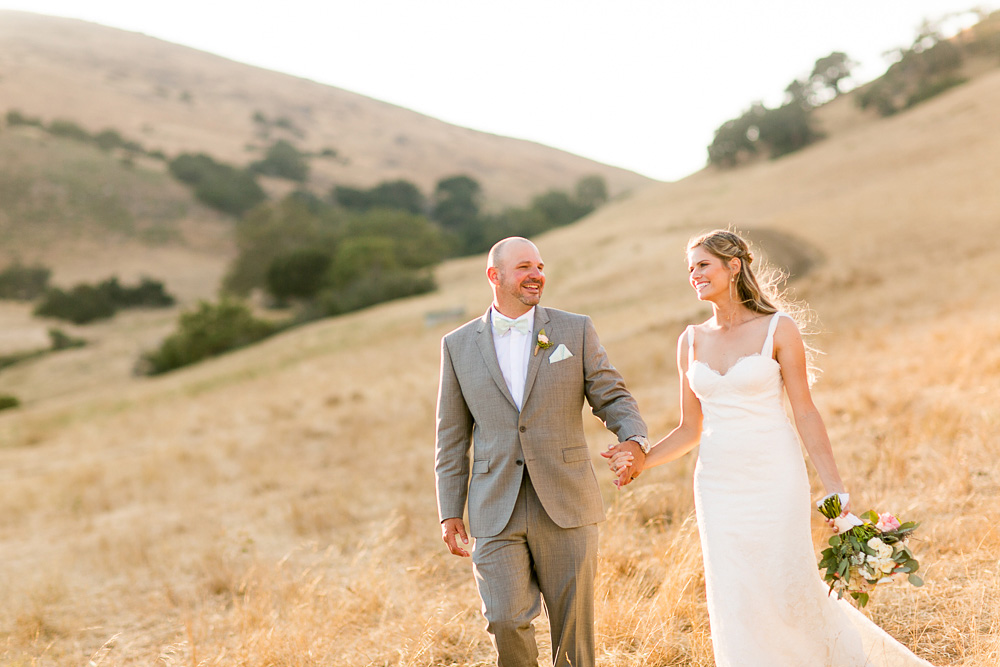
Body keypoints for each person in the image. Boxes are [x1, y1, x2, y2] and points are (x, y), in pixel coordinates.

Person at [604, 229, 933, 666]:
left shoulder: (779, 329)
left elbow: (806, 413)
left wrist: (835, 487)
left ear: (733, 266)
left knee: (787, 581)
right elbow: (688, 429)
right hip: (718, 484)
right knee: (734, 590)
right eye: (690, 268)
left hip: (774, 475)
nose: (694, 275)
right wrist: (642, 461)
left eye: (703, 265)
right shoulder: (690, 340)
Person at [434, 236, 649, 667]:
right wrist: (449, 508)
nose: (536, 275)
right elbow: (452, 436)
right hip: (495, 503)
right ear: (495, 276)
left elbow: (612, 396)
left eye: (540, 266)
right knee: (503, 619)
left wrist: (634, 439)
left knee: (573, 630)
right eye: (524, 267)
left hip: (566, 497)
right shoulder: (458, 344)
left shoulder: (575, 329)